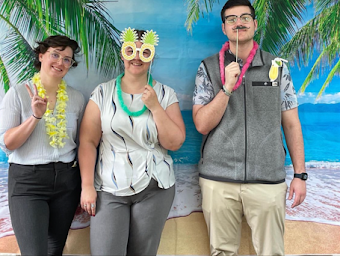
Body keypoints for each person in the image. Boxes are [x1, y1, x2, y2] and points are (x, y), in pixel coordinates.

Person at [192, 0, 307, 255]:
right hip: (218, 179)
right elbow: (201, 124)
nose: (239, 23)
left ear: (255, 24)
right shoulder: (208, 68)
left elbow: (291, 122)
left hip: (267, 180)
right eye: (231, 19)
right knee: (221, 252)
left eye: (245, 17)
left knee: (272, 252)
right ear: (224, 28)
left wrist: (300, 175)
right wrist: (227, 88)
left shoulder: (277, 68)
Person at [79, 28, 185, 256]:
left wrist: (156, 106)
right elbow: (88, 141)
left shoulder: (166, 94)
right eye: (131, 51)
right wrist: (87, 185)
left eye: (144, 52)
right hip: (109, 186)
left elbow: (174, 143)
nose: (136, 57)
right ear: (122, 54)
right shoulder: (102, 93)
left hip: (154, 186)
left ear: (152, 56)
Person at [0, 35, 85, 255]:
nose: (60, 62)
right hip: (29, 183)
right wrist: (35, 117)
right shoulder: (18, 93)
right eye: (55, 55)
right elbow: (7, 144)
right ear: (41, 56)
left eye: (67, 59)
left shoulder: (76, 98)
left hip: (67, 182)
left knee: (54, 250)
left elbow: (81, 144)